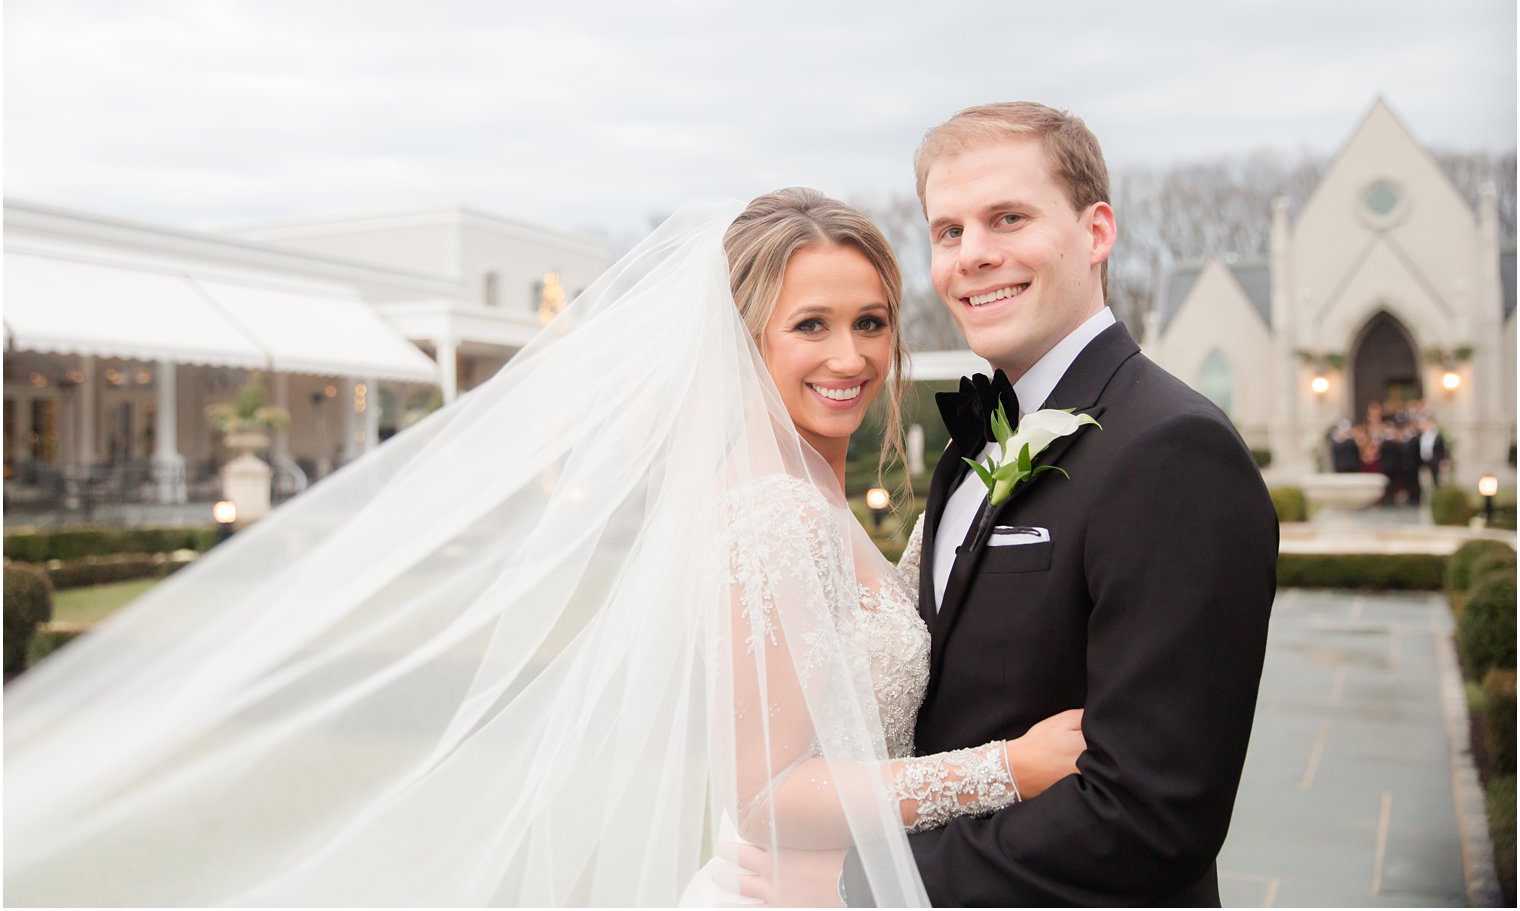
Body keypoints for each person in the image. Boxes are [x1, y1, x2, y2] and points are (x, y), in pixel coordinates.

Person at [4, 190, 1081, 906]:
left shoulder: (812, 496)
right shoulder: (768, 511)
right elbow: (766, 795)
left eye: (871, 320)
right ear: (743, 336)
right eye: (810, 324)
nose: (849, 356)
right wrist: (1010, 768)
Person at [744, 102, 1278, 906]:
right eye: (950, 231)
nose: (974, 255)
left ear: (1097, 232)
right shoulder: (973, 444)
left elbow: (1151, 817)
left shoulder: (1173, 451)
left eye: (1007, 218)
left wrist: (865, 882)